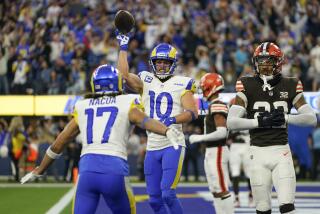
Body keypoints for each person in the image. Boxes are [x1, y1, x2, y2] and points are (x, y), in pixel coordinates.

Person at [20, 64, 184, 214]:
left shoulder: (83, 106)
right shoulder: (126, 102)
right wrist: (166, 130)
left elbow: (60, 142)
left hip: (87, 172)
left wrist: (40, 169)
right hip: (114, 170)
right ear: (118, 83)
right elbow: (145, 121)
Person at [227, 42, 317, 214]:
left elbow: (311, 118)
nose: (264, 65)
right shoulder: (247, 84)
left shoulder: (290, 84)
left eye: (269, 61)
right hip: (256, 153)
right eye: (261, 61)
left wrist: (286, 117)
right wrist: (259, 122)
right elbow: (231, 122)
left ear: (278, 62)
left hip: (281, 151)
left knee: (288, 207)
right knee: (262, 209)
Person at [116, 32, 198, 213]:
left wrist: (172, 119)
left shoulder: (182, 83)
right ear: (153, 63)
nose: (161, 66)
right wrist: (123, 47)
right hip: (152, 147)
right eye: (158, 62)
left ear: (173, 63)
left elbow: (193, 112)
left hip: (172, 144)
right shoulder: (146, 80)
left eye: (165, 62)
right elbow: (122, 76)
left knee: (168, 194)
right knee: (154, 200)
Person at [189, 73, 234, 214]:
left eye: (204, 87)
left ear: (211, 87)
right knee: (215, 189)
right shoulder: (213, 105)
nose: (202, 90)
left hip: (218, 150)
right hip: (212, 151)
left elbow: (222, 132)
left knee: (221, 189)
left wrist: (199, 138)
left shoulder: (218, 105)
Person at [227, 98, 253, 208]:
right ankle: (236, 198)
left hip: (247, 145)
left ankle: (251, 196)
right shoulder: (230, 119)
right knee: (235, 173)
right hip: (235, 146)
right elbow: (227, 135)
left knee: (249, 173)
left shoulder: (249, 117)